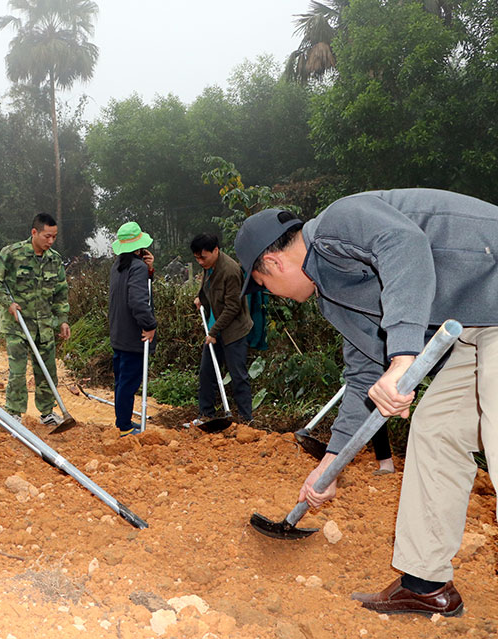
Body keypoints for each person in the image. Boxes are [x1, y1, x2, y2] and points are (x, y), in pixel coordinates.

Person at [234, 189, 498, 617]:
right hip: (475, 325)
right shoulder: (334, 296)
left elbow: (405, 244)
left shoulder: (337, 223)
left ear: (274, 263)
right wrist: (330, 464)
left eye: (263, 285)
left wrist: (403, 357)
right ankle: (425, 584)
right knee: (436, 429)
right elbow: (363, 375)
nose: (271, 294)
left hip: (492, 293)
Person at [0, 213, 70, 425]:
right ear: (34, 232)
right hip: (17, 325)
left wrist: (62, 320)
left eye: (54, 236)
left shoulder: (54, 260)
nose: (51, 241)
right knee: (18, 372)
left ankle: (47, 413)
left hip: (44, 325)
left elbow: (61, 293)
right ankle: (13, 414)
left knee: (47, 371)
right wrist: (8, 303)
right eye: (47, 236)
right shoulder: (12, 254)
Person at [189, 233, 253, 425]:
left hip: (233, 331)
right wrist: (201, 298)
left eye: (203, 257)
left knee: (238, 375)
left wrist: (213, 332)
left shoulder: (230, 271)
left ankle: (246, 420)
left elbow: (233, 307)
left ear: (215, 250)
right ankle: (206, 414)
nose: (200, 262)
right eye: (197, 258)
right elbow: (208, 287)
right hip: (214, 328)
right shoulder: (209, 266)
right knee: (206, 373)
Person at [108, 222, 157, 437]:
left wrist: (150, 271)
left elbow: (137, 289)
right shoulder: (137, 267)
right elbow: (138, 301)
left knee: (122, 381)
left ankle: (123, 421)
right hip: (132, 335)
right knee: (129, 383)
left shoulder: (118, 265)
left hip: (118, 332)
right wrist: (150, 325)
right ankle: (125, 428)